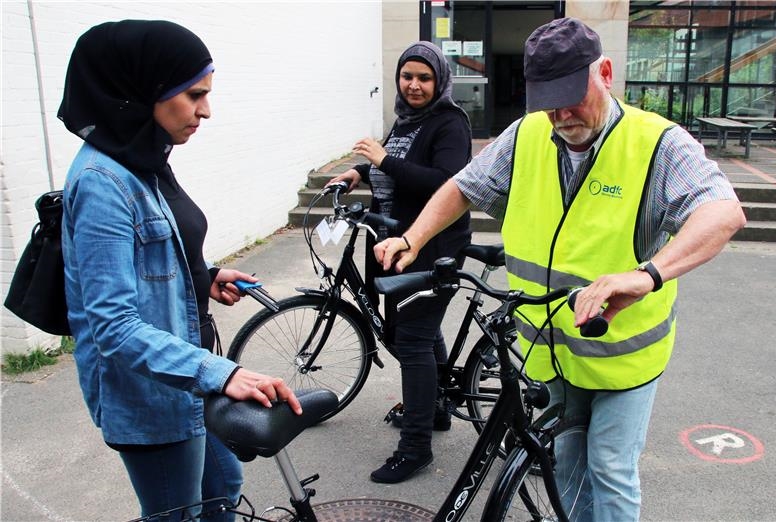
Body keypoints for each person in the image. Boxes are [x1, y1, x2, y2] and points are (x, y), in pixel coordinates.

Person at [375, 18, 746, 521]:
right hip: (549, 350)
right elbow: (464, 185)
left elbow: (723, 213)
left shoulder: (658, 143)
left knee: (611, 468)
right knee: (567, 465)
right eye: (549, 100)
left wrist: (646, 275)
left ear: (607, 73)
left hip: (621, 356)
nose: (562, 113)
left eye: (573, 95)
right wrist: (413, 237)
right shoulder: (527, 133)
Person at [58, 20, 302, 521]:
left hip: (189, 386)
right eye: (194, 95)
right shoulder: (103, 182)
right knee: (180, 512)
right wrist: (222, 372)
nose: (206, 111)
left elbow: (149, 255)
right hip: (156, 400)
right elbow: (113, 326)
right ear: (143, 88)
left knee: (223, 490)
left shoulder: (141, 156)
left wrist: (203, 275)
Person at [327, 41, 472, 484]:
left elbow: (446, 184)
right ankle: (439, 407)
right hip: (398, 242)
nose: (413, 84)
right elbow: (390, 163)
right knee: (421, 334)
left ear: (439, 81)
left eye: (424, 78)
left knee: (411, 341)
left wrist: (383, 159)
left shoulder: (449, 123)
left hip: (433, 245)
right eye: (407, 76)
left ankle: (415, 448)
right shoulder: (408, 121)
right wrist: (356, 172)